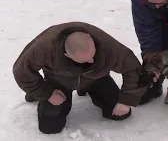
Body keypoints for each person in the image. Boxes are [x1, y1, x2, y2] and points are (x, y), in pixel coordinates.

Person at [12, 21, 149, 134]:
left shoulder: (106, 44)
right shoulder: (45, 47)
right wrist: (46, 93)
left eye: (93, 56)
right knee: (50, 127)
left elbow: (132, 68)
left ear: (90, 37)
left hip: (96, 78)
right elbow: (21, 71)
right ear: (66, 55)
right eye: (84, 60)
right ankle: (36, 95)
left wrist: (126, 99)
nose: (90, 61)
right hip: (59, 81)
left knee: (121, 114)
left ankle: (87, 89)